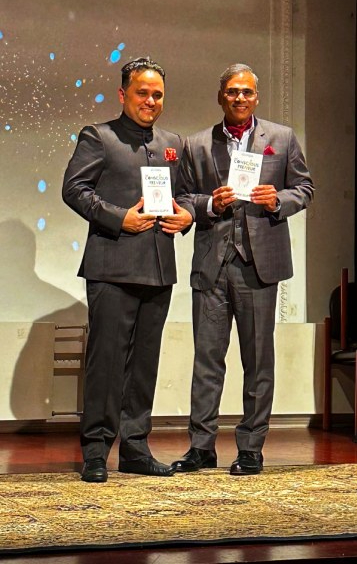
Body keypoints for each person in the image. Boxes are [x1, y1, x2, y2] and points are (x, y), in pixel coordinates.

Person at [172, 63, 314, 475]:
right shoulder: (197, 144)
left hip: (258, 265)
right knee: (207, 360)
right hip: (212, 264)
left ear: (257, 97)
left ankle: (251, 447)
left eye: (247, 92)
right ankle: (201, 447)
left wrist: (277, 201)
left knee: (258, 360)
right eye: (232, 91)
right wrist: (209, 204)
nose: (239, 98)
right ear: (221, 96)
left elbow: (304, 188)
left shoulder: (282, 138)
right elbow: (182, 198)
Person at [62, 57, 192, 482]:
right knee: (106, 362)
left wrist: (185, 214)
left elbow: (187, 195)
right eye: (142, 93)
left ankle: (135, 447)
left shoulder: (173, 142)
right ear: (123, 94)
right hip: (112, 267)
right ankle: (96, 451)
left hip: (158, 268)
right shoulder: (98, 136)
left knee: (144, 364)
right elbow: (74, 189)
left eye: (157, 94)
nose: (150, 101)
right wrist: (120, 218)